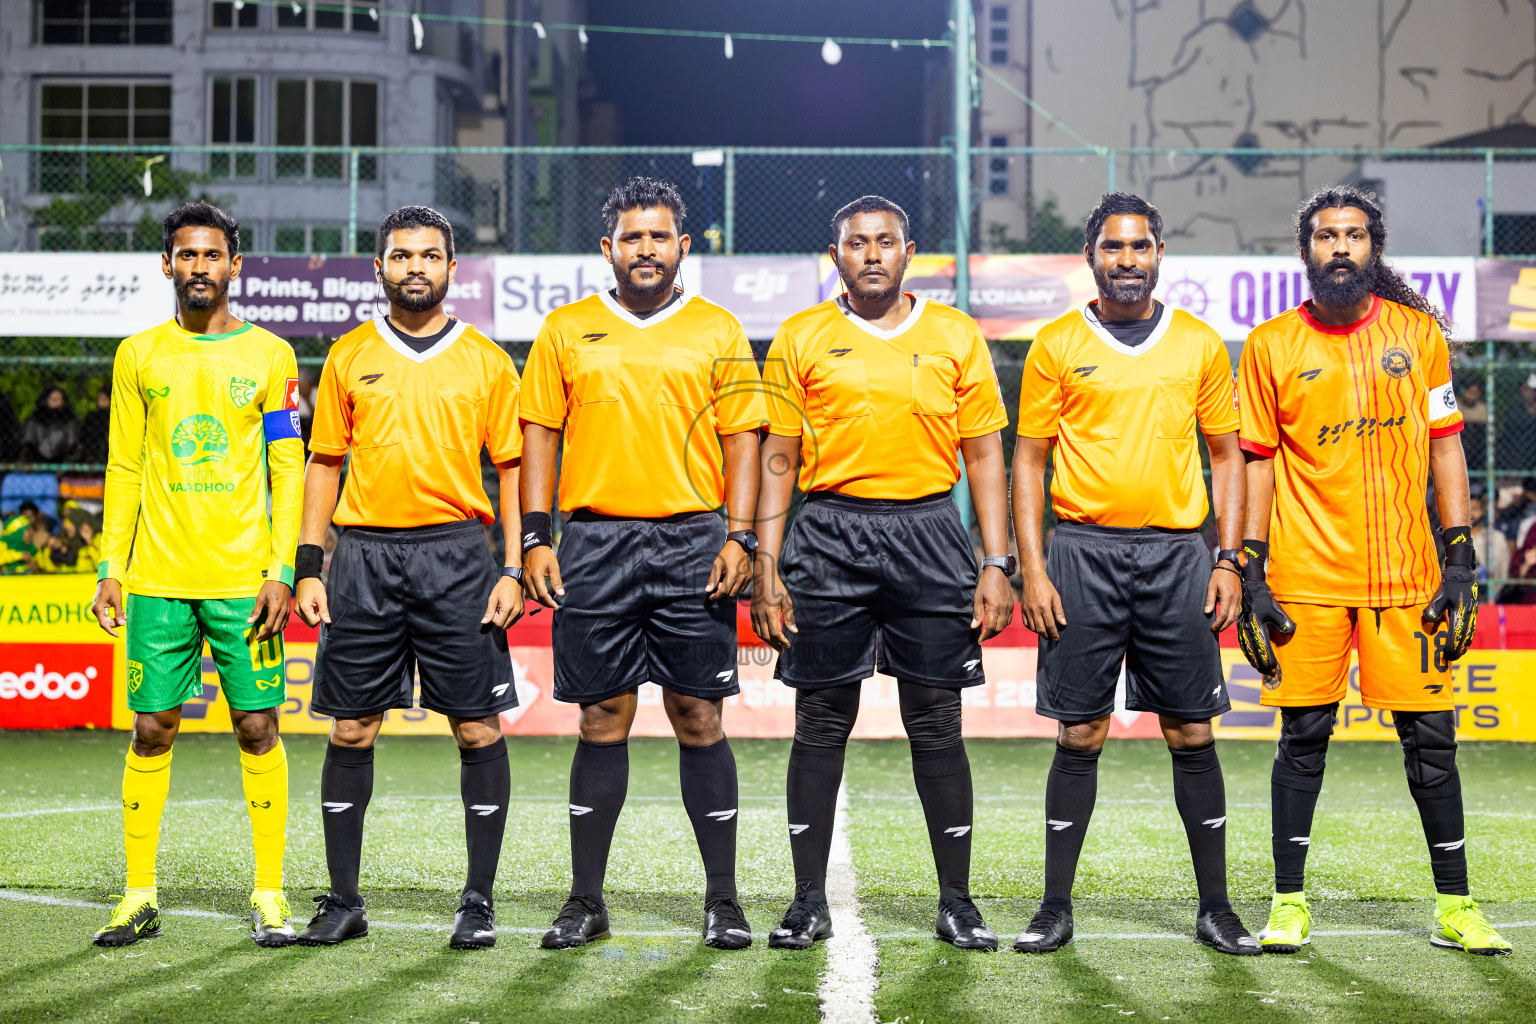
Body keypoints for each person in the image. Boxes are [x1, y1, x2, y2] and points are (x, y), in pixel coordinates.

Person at [1237, 185, 1510, 955]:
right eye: (1327, 235)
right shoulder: (1270, 345)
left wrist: (1459, 554)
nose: (1341, 247)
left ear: (1374, 247)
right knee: (1304, 738)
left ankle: (1456, 907)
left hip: (1406, 579)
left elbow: (1446, 443)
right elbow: (1256, 463)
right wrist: (1252, 568)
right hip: (1305, 577)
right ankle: (1289, 904)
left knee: (1431, 741)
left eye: (1355, 234)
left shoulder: (1418, 336)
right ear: (1306, 251)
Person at [752, 195, 1013, 952]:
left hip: (931, 533)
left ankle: (957, 902)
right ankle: (807, 901)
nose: (871, 253)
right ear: (836, 255)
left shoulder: (956, 335)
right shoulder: (801, 336)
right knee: (821, 720)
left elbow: (986, 455)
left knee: (936, 722)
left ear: (909, 253)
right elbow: (779, 457)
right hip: (828, 534)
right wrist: (768, 561)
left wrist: (995, 561)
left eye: (885, 242)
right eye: (857, 243)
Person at [520, 177, 765, 951]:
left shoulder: (719, 329)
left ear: (683, 246)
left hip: (695, 542)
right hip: (594, 543)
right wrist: (533, 537)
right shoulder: (566, 329)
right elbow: (538, 438)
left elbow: (744, 443)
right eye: (632, 237)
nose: (647, 249)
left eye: (660, 237)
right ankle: (586, 901)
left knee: (699, 717)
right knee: (601, 718)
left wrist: (743, 537)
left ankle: (722, 900)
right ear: (608, 249)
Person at [1010, 193, 1256, 956]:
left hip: (1181, 557)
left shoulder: (1199, 344)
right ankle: (1055, 906)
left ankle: (1215, 907)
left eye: (1140, 247)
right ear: (1090, 256)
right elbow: (1028, 459)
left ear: (1158, 255)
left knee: (1191, 728)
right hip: (1082, 554)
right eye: (1113, 248)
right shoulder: (1054, 343)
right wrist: (1032, 567)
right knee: (1079, 731)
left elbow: (1227, 456)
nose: (1127, 261)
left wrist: (1230, 557)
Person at [292, 206, 524, 951]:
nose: (415, 267)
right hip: (361, 558)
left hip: (458, 556)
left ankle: (478, 901)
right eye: (401, 256)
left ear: (453, 269)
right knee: (352, 727)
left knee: (476, 726)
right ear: (379, 268)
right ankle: (344, 901)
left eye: (430, 256)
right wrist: (308, 562)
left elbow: (513, 469)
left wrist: (514, 566)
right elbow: (324, 462)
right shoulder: (347, 356)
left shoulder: (487, 360)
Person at [88, 201, 303, 947]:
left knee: (257, 725)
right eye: (187, 255)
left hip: (246, 580)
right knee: (153, 729)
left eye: (214, 255)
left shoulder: (272, 357)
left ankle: (270, 894)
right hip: (156, 579)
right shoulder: (137, 355)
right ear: (167, 265)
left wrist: (283, 569)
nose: (200, 267)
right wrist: (110, 565)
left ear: (234, 265)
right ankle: (139, 895)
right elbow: (121, 466)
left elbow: (288, 467)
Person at [21, 386, 81, 462]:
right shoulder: (34, 420)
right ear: (46, 401)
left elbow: (73, 444)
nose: (58, 403)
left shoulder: (70, 420)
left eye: (60, 400)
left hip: (63, 460)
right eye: (54, 400)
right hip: (38, 459)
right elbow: (29, 442)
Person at [80, 381, 113, 464]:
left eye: (104, 399)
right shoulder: (92, 416)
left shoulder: (117, 417)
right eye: (100, 398)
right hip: (93, 454)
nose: (101, 402)